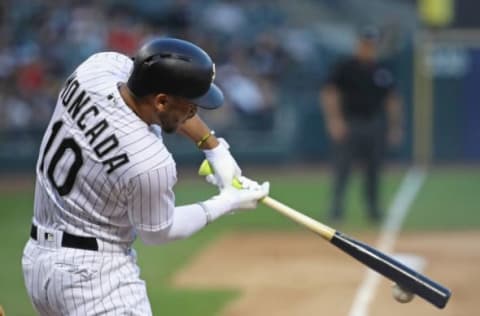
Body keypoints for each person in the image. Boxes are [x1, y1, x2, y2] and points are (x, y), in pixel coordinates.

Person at [22, 37, 269, 315]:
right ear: (161, 101)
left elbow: (144, 77)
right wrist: (227, 202)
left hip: (38, 264)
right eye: (190, 105)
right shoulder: (149, 161)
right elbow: (159, 232)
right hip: (96, 280)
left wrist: (214, 148)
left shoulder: (95, 69)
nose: (194, 112)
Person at [320, 26, 403, 223]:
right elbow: (330, 93)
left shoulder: (381, 69)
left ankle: (373, 209)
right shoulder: (345, 67)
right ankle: (336, 209)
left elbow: (392, 99)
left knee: (374, 169)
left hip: (374, 124)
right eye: (365, 44)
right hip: (351, 123)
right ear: (358, 44)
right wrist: (335, 120)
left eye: (372, 45)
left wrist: (394, 126)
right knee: (342, 169)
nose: (368, 48)